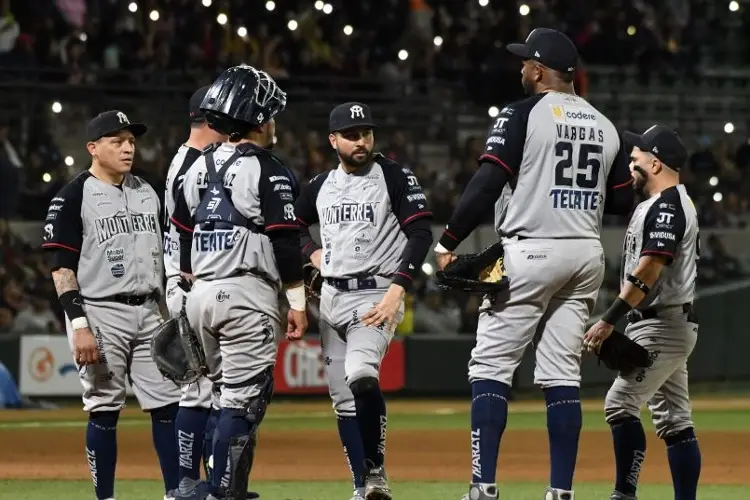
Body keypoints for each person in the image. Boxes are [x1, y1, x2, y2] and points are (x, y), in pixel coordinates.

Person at [432, 28, 635, 500]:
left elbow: (486, 182)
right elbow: (622, 202)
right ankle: (560, 492)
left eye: (526, 62)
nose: (521, 68)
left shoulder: (522, 113)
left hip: (531, 250)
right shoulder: (606, 126)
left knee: (492, 365)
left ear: (540, 71)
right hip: (585, 253)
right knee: (562, 373)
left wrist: (449, 239)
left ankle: (483, 488)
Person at [170, 65, 307, 500]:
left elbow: (182, 230)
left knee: (207, 395)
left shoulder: (195, 168)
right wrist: (298, 302)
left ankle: (197, 486)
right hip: (246, 293)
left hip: (200, 293)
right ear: (262, 119)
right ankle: (222, 492)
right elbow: (286, 244)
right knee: (243, 401)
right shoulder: (269, 169)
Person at [295, 102, 433, 500]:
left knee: (362, 376)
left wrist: (397, 289)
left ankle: (375, 473)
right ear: (333, 140)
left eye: (367, 133)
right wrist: (311, 252)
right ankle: (362, 487)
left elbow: (421, 233)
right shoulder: (320, 185)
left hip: (376, 294)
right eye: (352, 135)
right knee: (343, 401)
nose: (362, 141)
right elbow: (293, 225)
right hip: (332, 296)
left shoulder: (392, 175)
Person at [40, 110, 181, 500]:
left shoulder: (146, 192)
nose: (127, 148)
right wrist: (79, 324)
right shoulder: (72, 196)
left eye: (131, 141)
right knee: (104, 407)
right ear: (93, 148)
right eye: (117, 141)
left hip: (151, 312)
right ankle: (106, 497)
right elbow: (61, 268)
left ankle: (176, 492)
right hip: (101, 312)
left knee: (167, 403)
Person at [583, 125, 701, 500]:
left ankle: (624, 494)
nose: (630, 162)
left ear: (655, 162)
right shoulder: (660, 202)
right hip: (663, 321)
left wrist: (608, 318)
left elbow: (650, 268)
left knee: (619, 405)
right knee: (676, 423)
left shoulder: (668, 205)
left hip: (662, 323)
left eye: (636, 157)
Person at [163, 86, 261, 500]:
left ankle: (206, 484)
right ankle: (189, 484)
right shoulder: (194, 164)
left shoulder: (188, 161)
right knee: (200, 390)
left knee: (210, 391)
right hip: (192, 281)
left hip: (192, 282)